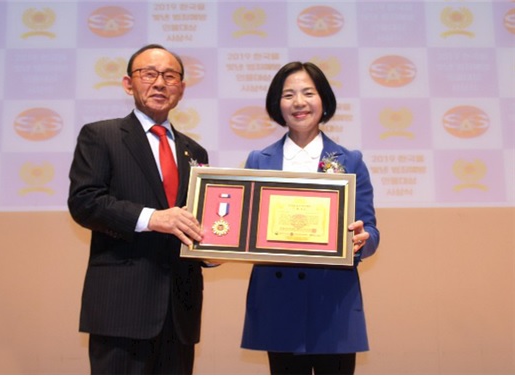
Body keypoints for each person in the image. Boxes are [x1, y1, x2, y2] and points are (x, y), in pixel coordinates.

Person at [68, 44, 209, 375]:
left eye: (170, 76)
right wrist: (152, 218)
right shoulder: (101, 136)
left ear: (181, 89)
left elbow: (198, 220)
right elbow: (85, 202)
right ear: (128, 83)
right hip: (121, 308)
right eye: (149, 74)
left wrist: (213, 248)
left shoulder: (195, 151)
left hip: (180, 312)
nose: (159, 83)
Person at [240, 61, 380, 375]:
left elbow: (370, 228)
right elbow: (246, 226)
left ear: (324, 100)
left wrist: (363, 240)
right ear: (277, 104)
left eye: (308, 93)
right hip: (278, 300)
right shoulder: (258, 161)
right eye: (288, 95)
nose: (299, 102)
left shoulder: (350, 160)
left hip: (333, 300)